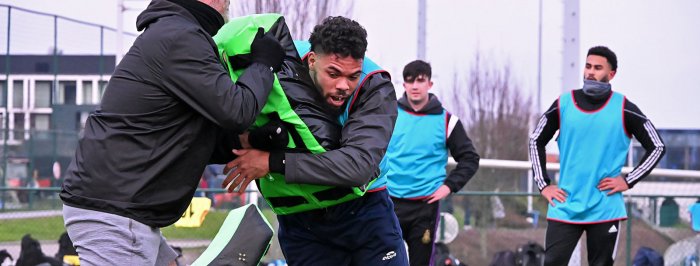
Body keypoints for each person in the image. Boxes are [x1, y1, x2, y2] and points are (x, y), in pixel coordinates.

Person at [59, 0, 285, 264]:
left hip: (119, 205)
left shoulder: (174, 33)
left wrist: (249, 139)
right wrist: (263, 65)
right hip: (117, 211)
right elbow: (236, 110)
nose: (228, 2)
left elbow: (185, 137)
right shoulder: (180, 37)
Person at [222, 16, 408, 265]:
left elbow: (357, 167)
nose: (343, 85)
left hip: (364, 213)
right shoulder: (276, 60)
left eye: (352, 76)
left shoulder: (374, 86)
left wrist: (272, 162)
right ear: (311, 60)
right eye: (333, 73)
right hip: (301, 222)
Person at [529, 46, 666, 266]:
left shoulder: (624, 108)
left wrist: (628, 181)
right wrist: (543, 185)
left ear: (611, 74)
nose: (590, 72)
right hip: (565, 205)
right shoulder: (563, 104)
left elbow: (657, 146)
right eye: (588, 66)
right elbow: (536, 140)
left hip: (605, 207)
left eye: (598, 68)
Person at [379, 60, 480, 266]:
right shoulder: (389, 114)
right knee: (383, 260)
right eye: (409, 81)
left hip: (426, 206)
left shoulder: (448, 121)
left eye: (420, 80)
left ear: (430, 84)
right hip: (388, 200)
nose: (415, 86)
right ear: (404, 84)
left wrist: (449, 187)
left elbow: (470, 159)